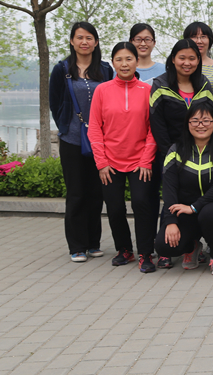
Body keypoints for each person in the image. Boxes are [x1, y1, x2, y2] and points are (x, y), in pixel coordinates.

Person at [87, 42, 158, 271]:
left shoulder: (148, 91)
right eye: (119, 59)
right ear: (113, 63)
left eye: (129, 59)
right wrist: (101, 162)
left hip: (140, 161)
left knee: (141, 203)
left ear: (137, 61)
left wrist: (146, 160)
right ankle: (124, 249)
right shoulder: (102, 90)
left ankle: (146, 253)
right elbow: (94, 128)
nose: (124, 64)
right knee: (115, 207)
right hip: (110, 162)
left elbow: (153, 129)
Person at [49, 22, 114, 263]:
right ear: (72, 41)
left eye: (89, 38)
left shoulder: (105, 70)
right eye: (79, 37)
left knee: (96, 193)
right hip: (72, 140)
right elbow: (54, 103)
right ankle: (77, 246)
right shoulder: (62, 69)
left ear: (96, 42)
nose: (84, 42)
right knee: (76, 193)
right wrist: (66, 126)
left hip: (100, 141)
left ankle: (93, 243)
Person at [149, 39, 213, 268]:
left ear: (198, 60)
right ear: (173, 59)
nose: (187, 63)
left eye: (192, 58)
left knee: (198, 195)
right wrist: (173, 153)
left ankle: (195, 241)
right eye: (182, 58)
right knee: (172, 195)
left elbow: (210, 120)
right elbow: (157, 124)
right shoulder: (160, 85)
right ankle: (168, 242)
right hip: (170, 153)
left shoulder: (204, 84)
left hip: (202, 153)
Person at [155, 101, 213, 276]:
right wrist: (171, 221)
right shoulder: (175, 150)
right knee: (164, 246)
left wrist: (194, 207)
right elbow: (169, 188)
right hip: (184, 209)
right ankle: (192, 246)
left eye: (206, 120)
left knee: (211, 212)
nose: (200, 125)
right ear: (187, 124)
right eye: (195, 120)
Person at [184, 21, 213, 87]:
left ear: (210, 40)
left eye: (203, 37)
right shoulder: (180, 66)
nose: (199, 41)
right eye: (194, 37)